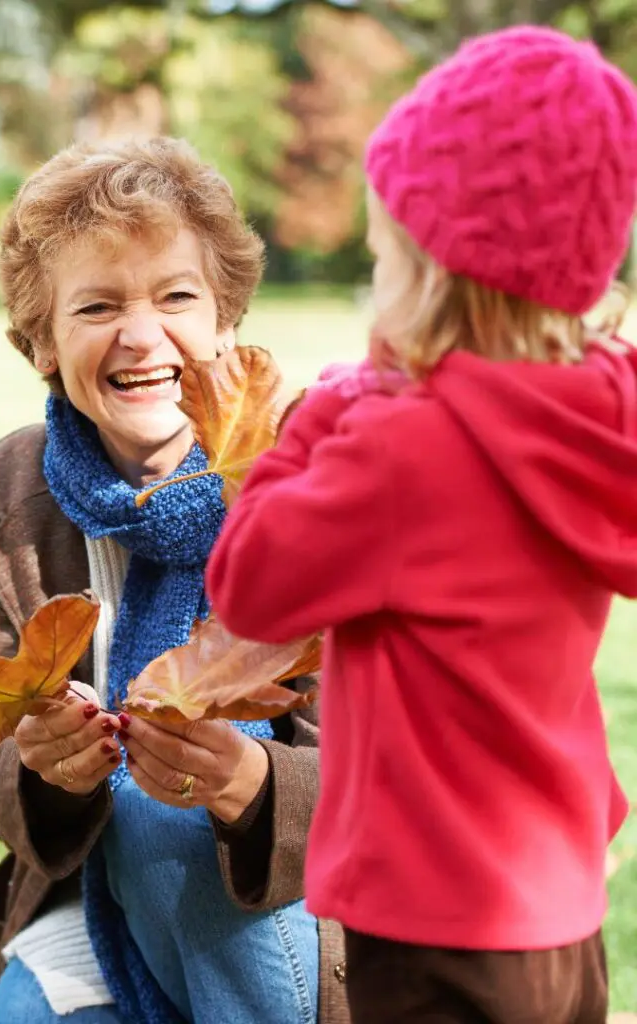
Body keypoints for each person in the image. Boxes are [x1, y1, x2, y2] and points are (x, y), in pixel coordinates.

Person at [206, 26, 637, 1024]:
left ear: (433, 269)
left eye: (380, 258)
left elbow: (252, 582)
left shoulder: (402, 451)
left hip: (435, 915)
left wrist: (318, 419)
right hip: (559, 904)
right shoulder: (597, 408)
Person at [0, 135, 348, 1024]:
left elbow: (403, 766)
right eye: (96, 306)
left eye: (176, 296)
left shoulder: (318, 480)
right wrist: (46, 771)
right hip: (89, 915)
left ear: (224, 319)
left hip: (295, 908)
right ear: (42, 342)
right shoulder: (1, 500)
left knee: (167, 812)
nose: (142, 336)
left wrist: (254, 786)